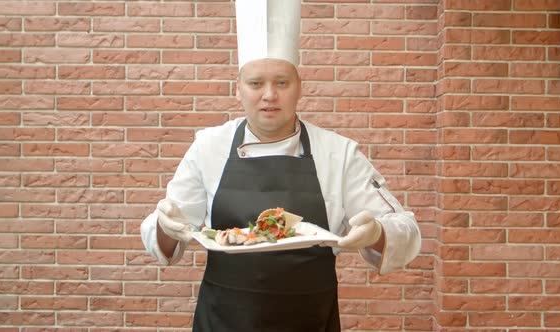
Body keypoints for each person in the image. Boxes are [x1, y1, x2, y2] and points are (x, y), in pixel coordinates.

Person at [140, 0, 421, 331]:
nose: (269, 95)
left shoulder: (338, 152)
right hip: (223, 320)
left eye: (282, 83)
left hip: (310, 321)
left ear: (299, 87)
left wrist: (376, 233)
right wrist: (165, 224)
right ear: (240, 89)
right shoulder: (208, 146)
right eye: (256, 83)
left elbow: (406, 230)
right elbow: (165, 242)